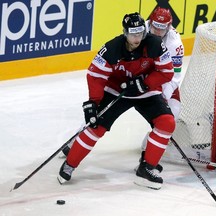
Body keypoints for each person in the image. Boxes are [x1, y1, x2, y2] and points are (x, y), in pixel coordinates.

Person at [57, 12, 176, 190]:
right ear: (125, 32)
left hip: (145, 91)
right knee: (95, 126)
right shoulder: (112, 48)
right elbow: (95, 76)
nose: (137, 38)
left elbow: (167, 72)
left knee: (167, 123)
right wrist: (94, 103)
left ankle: (146, 169)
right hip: (116, 91)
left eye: (140, 34)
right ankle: (70, 164)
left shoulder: (154, 44)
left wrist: (144, 84)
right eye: (133, 34)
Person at [136, 7, 184, 171]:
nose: (157, 31)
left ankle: (147, 151)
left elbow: (175, 76)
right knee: (105, 103)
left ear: (169, 27)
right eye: (155, 27)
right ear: (150, 22)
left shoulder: (175, 43)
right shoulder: (139, 30)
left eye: (162, 28)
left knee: (174, 111)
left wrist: (164, 95)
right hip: (133, 73)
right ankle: (75, 141)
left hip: (159, 77)